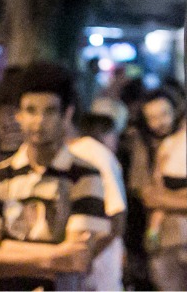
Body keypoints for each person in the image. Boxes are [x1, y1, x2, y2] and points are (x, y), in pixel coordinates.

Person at [0, 61, 111, 291]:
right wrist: (55, 255)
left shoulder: (85, 175)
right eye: (30, 110)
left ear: (66, 114)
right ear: (18, 114)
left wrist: (8, 249)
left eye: (49, 111)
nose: (38, 122)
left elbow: (77, 259)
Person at [126, 87, 187, 291]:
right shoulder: (143, 147)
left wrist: (165, 199)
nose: (160, 123)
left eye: (165, 114)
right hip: (162, 242)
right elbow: (147, 196)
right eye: (152, 117)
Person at [69, 110, 128, 291]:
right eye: (113, 134)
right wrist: (87, 257)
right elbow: (117, 215)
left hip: (72, 260)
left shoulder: (68, 153)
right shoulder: (100, 155)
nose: (116, 141)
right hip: (99, 264)